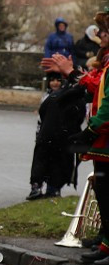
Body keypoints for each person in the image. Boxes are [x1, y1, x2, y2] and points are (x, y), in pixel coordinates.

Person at [43, 9, 109, 265]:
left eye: (105, 30)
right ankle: (105, 241)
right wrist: (71, 75)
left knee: (105, 189)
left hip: (103, 135)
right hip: (102, 136)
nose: (100, 34)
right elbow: (95, 85)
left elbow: (104, 98)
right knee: (102, 188)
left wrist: (90, 131)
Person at [25, 71, 85, 200]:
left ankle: (48, 187)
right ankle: (45, 187)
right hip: (56, 135)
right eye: (52, 80)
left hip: (53, 135)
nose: (55, 83)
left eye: (58, 80)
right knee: (51, 163)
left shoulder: (57, 98)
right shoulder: (55, 97)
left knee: (49, 162)